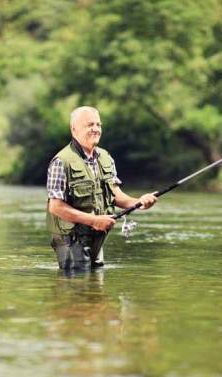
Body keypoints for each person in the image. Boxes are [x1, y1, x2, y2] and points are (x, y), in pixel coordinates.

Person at [46, 106, 157, 270]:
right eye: (90, 125)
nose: (96, 129)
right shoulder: (61, 161)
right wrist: (95, 220)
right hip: (70, 238)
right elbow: (55, 207)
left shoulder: (105, 157)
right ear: (74, 128)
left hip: (97, 235)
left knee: (96, 287)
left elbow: (115, 195)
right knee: (76, 286)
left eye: (98, 125)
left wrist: (139, 202)